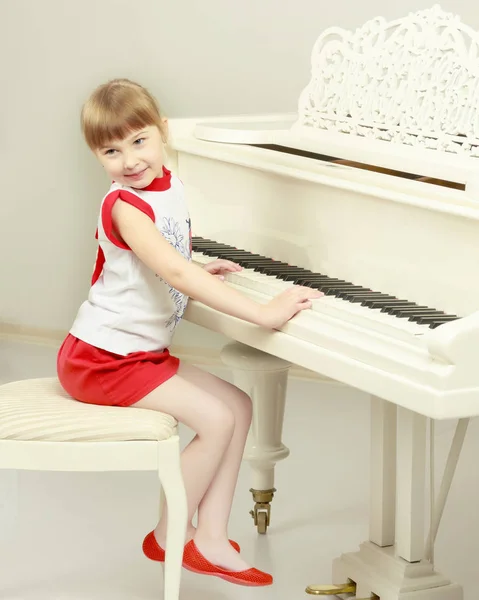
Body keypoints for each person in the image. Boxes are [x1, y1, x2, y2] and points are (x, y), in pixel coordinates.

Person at [57, 78, 322, 587]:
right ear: (97, 156)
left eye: (139, 142)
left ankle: (212, 537)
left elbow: (170, 258)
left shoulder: (168, 182)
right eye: (112, 151)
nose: (130, 160)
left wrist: (198, 264)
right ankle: (168, 534)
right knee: (217, 420)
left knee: (239, 407)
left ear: (161, 134)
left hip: (137, 354)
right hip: (101, 359)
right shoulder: (123, 207)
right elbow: (174, 275)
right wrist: (262, 313)